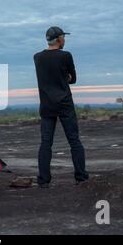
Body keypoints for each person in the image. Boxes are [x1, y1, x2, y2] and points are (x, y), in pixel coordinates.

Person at [33, 26, 89, 188]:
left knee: (45, 143)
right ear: (58, 39)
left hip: (46, 105)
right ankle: (81, 177)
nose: (64, 40)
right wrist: (65, 77)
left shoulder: (37, 57)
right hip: (64, 103)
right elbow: (73, 79)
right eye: (63, 37)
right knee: (74, 141)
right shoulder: (66, 56)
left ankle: (43, 180)